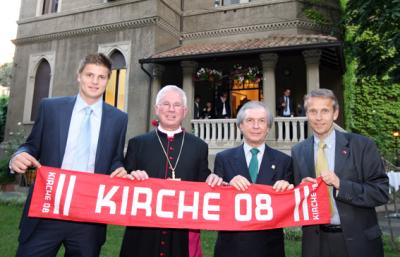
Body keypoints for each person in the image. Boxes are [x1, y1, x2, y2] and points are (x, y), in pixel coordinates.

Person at [10, 53, 129, 257]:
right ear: (79, 76)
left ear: (108, 80)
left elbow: (115, 158)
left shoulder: (119, 118)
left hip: (89, 216)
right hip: (47, 208)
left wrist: (119, 170)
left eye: (101, 77)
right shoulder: (51, 108)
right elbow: (31, 146)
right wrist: (18, 156)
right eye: (89, 74)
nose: (94, 81)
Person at [119, 85, 221, 257]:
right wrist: (129, 177)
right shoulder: (138, 144)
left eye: (177, 105)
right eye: (166, 104)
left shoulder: (199, 146)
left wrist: (213, 179)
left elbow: (203, 180)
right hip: (143, 231)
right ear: (157, 109)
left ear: (185, 111)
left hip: (182, 231)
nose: (171, 109)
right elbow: (121, 188)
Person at [291, 88, 389, 257]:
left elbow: (380, 193)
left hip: (358, 243)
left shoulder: (362, 146)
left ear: (335, 114)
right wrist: (300, 190)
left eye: (325, 111)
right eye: (313, 111)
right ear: (307, 114)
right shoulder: (298, 151)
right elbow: (294, 199)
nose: (319, 117)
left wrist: (340, 185)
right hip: (316, 244)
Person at [213, 101, 293, 257]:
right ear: (240, 126)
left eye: (262, 121)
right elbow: (216, 202)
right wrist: (227, 186)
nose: (256, 126)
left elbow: (293, 206)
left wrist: (287, 189)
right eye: (250, 120)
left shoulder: (284, 161)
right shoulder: (223, 158)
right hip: (231, 248)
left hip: (270, 249)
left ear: (268, 128)